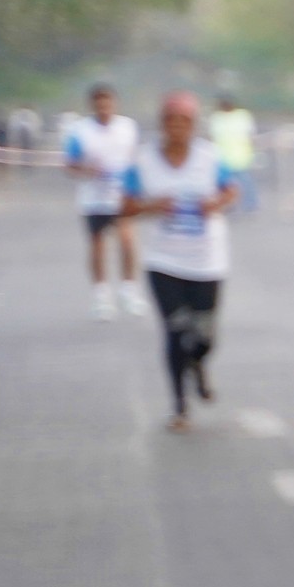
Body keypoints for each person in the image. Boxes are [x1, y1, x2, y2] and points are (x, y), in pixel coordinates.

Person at [119, 92, 241, 430]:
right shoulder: (144, 161)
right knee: (175, 330)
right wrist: (152, 206)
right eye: (171, 121)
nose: (177, 128)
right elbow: (124, 206)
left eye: (184, 122)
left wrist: (215, 204)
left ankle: (198, 364)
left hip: (207, 260)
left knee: (204, 336)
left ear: (193, 125)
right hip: (164, 260)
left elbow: (232, 190)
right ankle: (179, 406)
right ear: (162, 124)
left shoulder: (209, 157)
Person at [63, 84, 144, 319]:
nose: (104, 108)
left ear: (115, 104)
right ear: (92, 105)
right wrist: (87, 170)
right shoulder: (80, 131)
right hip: (93, 198)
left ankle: (129, 290)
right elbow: (70, 164)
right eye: (99, 104)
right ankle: (101, 296)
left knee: (127, 241)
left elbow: (134, 159)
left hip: (121, 196)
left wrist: (137, 188)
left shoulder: (128, 127)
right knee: (98, 245)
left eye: (108, 103)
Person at [210, 93, 258, 213]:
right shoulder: (216, 118)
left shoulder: (242, 116)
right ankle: (229, 206)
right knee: (226, 185)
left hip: (240, 156)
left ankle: (250, 206)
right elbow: (213, 138)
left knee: (245, 183)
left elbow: (250, 136)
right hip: (223, 158)